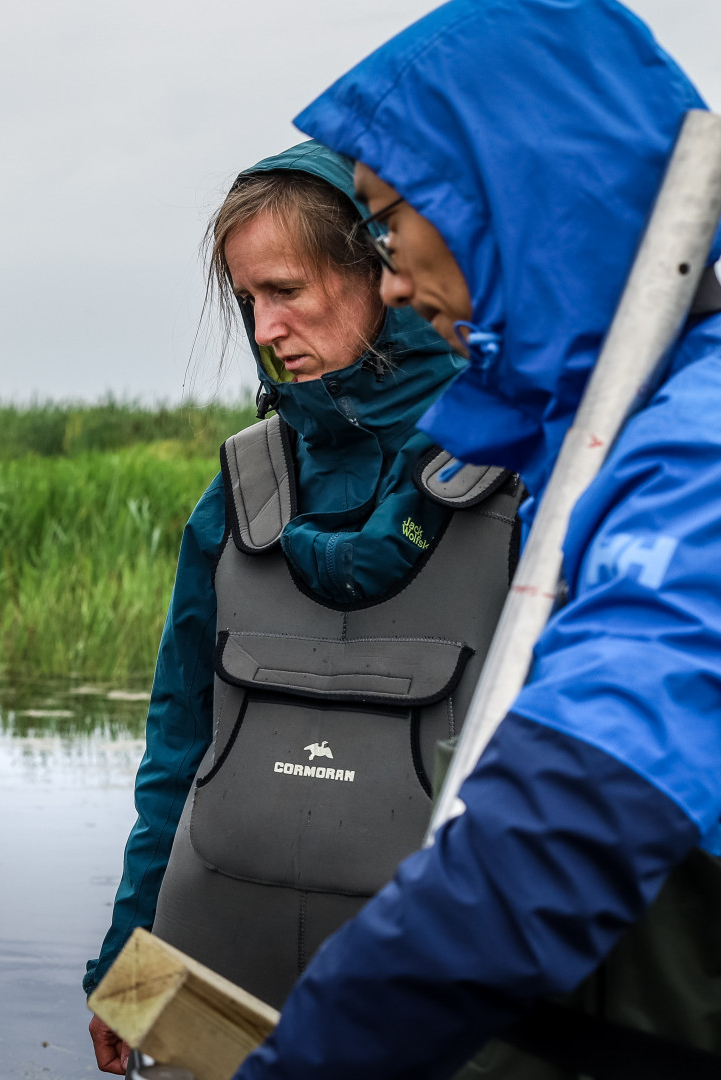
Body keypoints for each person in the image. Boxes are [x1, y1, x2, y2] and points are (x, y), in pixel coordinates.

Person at [228, 1, 721, 1077]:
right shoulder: (591, 442)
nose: (395, 281)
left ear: (509, 200)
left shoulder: (699, 454)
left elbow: (565, 831)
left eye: (392, 225)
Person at [84, 143, 514, 1073]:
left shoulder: (525, 487)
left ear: (382, 272)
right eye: (247, 301)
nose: (266, 327)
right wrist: (128, 966)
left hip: (428, 1009)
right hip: (210, 972)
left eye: (287, 289)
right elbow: (174, 751)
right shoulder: (238, 493)